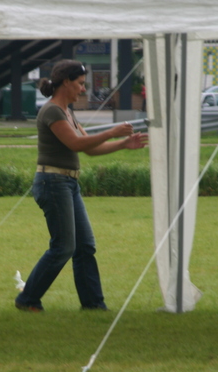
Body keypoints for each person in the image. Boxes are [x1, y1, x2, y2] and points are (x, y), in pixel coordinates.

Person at [15, 60, 148, 312]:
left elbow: (90, 149)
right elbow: (76, 144)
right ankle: (27, 298)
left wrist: (123, 143)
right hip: (53, 183)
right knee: (64, 247)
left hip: (67, 183)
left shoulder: (67, 112)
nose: (83, 90)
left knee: (84, 246)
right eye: (80, 84)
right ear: (66, 82)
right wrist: (112, 132)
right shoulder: (53, 111)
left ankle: (93, 304)